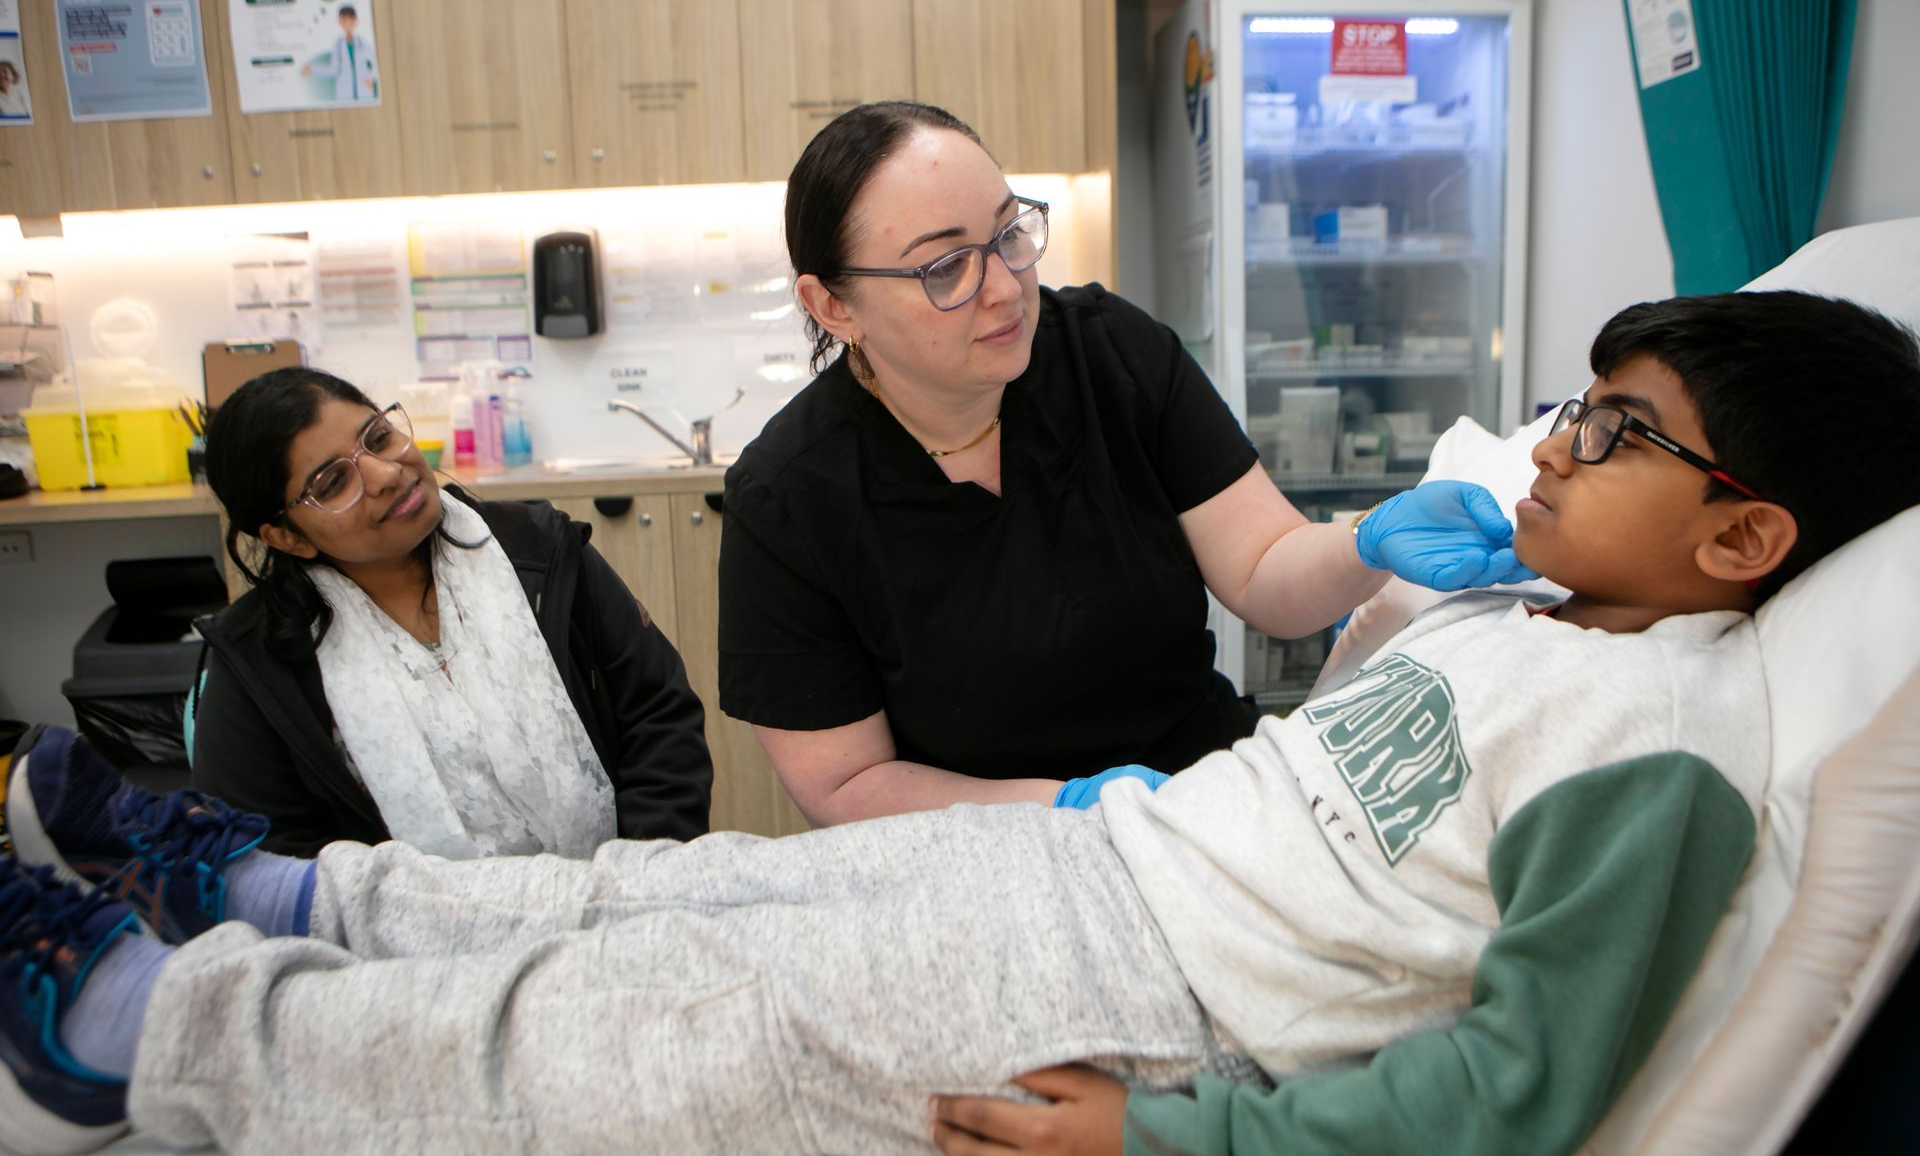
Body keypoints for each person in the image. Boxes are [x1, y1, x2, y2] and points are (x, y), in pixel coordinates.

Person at [3, 289, 1915, 1156]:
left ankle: (145, 1031)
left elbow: (1516, 1091)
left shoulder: (1665, 751)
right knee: (670, 906)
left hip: (1148, 984)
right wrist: (1131, 798)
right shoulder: (1528, 609)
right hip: (1092, 854)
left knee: (620, 1042)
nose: (1562, 443)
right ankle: (277, 897)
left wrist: (1170, 1143)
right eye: (1575, 406)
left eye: (1620, 430)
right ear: (840, 309)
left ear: (1749, 533)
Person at [721, 101, 1531, 825]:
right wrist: (1070, 804)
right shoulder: (787, 499)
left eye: (1008, 234)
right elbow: (848, 783)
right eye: (945, 268)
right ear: (832, 305)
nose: (1004, 287)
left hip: (1207, 791)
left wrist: (1366, 541)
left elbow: (1263, 569)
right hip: (989, 849)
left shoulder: (1110, 353)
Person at [190, 367, 711, 857]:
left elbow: (657, 716)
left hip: (622, 906)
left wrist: (641, 878)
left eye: (377, 437)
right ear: (286, 536)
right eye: (333, 484)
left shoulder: (541, 552)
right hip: (407, 950)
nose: (386, 472)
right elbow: (274, 860)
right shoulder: (260, 665)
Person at [300, 4, 376, 102]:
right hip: (344, 94)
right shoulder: (338, 44)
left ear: (355, 21)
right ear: (340, 22)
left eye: (349, 20)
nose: (346, 23)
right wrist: (312, 69)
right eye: (343, 20)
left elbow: (378, 61)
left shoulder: (363, 42)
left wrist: (371, 77)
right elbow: (333, 69)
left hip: (364, 91)